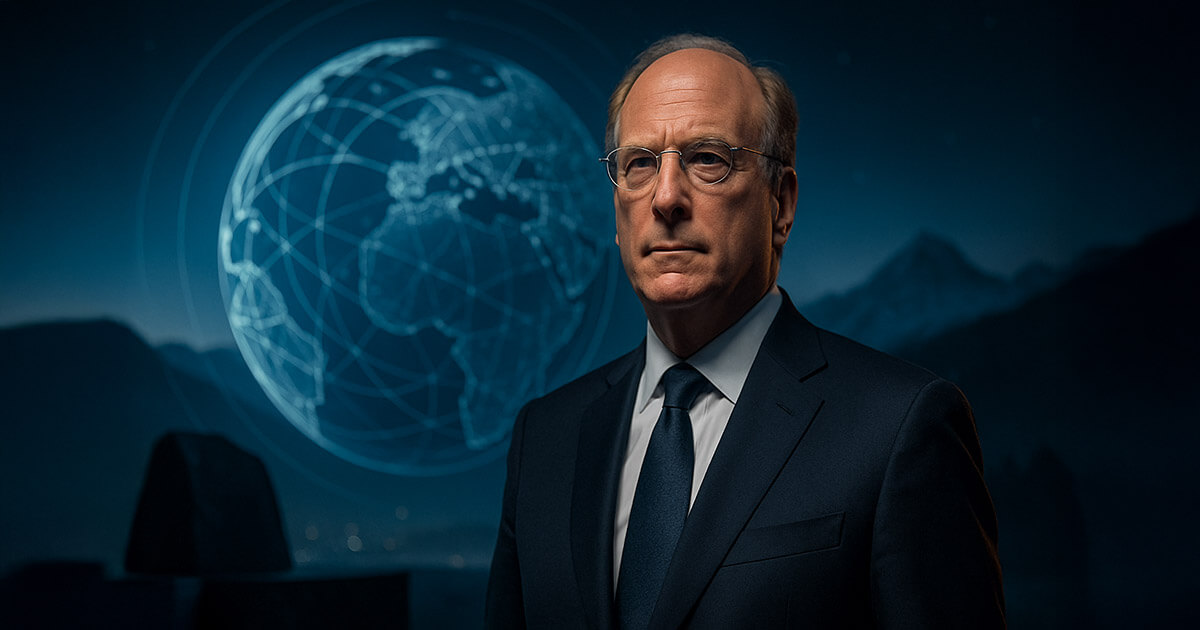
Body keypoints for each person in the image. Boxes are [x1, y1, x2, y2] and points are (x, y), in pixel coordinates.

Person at [485, 33, 1005, 629]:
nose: (666, 197)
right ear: (617, 210)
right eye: (639, 165)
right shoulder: (545, 439)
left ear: (780, 204)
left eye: (708, 158)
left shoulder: (898, 427)